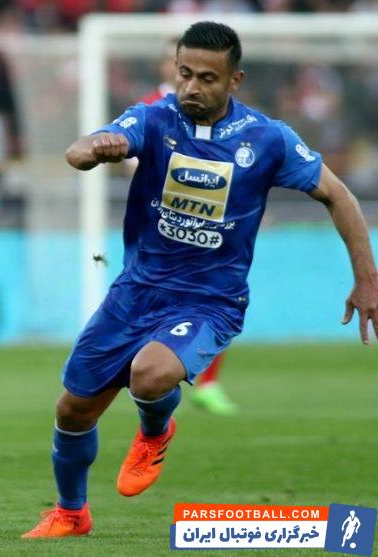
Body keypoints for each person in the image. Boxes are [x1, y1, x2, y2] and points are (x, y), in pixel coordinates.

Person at [22, 21, 377, 538]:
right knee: (73, 409)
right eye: (184, 73)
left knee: (150, 374)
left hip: (210, 301)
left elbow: (338, 195)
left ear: (235, 80)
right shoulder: (153, 118)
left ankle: (155, 429)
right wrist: (97, 147)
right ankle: (71, 513)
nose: (191, 86)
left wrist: (366, 279)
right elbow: (85, 148)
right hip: (135, 292)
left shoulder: (267, 138)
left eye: (207, 78)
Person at [139, 39, 238, 416]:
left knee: (218, 296)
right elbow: (133, 164)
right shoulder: (151, 106)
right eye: (176, 61)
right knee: (155, 302)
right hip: (159, 226)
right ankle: (153, 378)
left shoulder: (219, 110)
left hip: (210, 222)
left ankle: (208, 383)